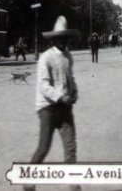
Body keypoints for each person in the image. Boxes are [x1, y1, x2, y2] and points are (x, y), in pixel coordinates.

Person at [28, 16, 80, 174]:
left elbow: (70, 77)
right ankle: (28, 178)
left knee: (70, 148)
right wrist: (60, 96)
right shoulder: (46, 58)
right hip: (47, 108)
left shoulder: (68, 56)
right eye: (59, 38)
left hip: (64, 107)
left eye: (65, 38)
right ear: (53, 40)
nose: (62, 41)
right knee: (44, 147)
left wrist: (74, 91)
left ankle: (74, 187)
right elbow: (43, 85)